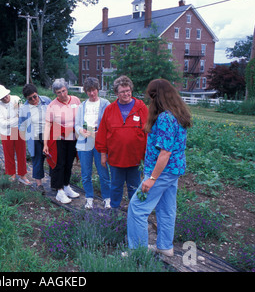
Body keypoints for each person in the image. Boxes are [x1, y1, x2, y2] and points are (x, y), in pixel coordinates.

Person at [127, 78, 192, 257]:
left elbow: (165, 153)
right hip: (173, 172)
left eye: (151, 97)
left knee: (137, 208)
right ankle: (165, 246)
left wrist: (152, 178)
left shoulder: (165, 118)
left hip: (161, 173)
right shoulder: (177, 114)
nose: (150, 101)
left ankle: (137, 252)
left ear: (157, 97)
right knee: (166, 208)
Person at [95, 75, 148, 209]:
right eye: (122, 91)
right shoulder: (110, 110)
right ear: (116, 93)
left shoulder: (141, 108)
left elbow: (149, 132)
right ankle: (114, 212)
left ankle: (135, 212)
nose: (126, 94)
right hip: (116, 157)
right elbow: (102, 133)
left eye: (128, 90)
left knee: (134, 186)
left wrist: (147, 155)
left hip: (135, 158)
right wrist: (102, 153)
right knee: (116, 186)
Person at [75, 77, 111, 209]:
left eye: (94, 90)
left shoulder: (105, 103)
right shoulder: (82, 106)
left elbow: (109, 122)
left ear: (98, 89)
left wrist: (100, 132)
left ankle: (107, 198)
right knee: (86, 173)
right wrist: (81, 130)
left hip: (100, 141)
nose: (92, 93)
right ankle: (89, 197)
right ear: (85, 91)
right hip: (84, 141)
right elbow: (77, 124)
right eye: (89, 91)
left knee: (103, 171)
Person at [43, 78, 81, 204]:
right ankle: (59, 191)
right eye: (58, 92)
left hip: (72, 136)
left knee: (69, 163)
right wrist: (45, 143)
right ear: (55, 93)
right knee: (59, 163)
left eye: (64, 91)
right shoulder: (52, 105)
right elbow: (47, 125)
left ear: (67, 89)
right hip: (58, 137)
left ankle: (66, 185)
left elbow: (80, 118)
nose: (62, 94)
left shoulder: (75, 100)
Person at [0, 84, 30, 185]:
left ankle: (22, 175)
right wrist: (16, 119)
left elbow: (22, 114)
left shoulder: (16, 99)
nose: (5, 98)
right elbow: (2, 123)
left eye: (6, 95)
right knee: (8, 154)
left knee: (21, 153)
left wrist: (12, 120)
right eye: (2, 97)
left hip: (18, 130)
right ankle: (11, 174)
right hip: (6, 133)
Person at [18, 83, 52, 190]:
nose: (33, 100)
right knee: (37, 160)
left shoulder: (46, 101)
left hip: (49, 135)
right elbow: (21, 125)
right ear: (27, 99)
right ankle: (39, 185)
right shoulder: (24, 108)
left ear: (37, 94)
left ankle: (55, 183)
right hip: (35, 137)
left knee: (53, 158)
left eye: (35, 96)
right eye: (30, 99)